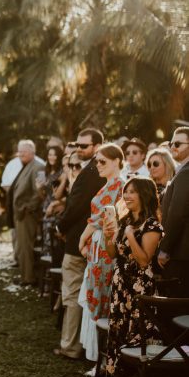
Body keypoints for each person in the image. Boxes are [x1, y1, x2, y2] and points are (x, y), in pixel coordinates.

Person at [102, 178, 163, 377]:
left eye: (132, 192)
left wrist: (128, 234)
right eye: (125, 192)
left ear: (144, 195)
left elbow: (144, 259)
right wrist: (109, 236)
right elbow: (113, 254)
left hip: (139, 290)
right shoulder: (125, 220)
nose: (126, 196)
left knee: (135, 338)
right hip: (120, 289)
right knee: (118, 336)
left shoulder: (152, 226)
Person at [54, 128, 104, 360]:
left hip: (77, 241)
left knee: (72, 293)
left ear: (96, 146)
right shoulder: (93, 169)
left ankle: (70, 346)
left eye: (84, 146)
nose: (79, 150)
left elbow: (76, 206)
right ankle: (79, 344)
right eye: (77, 145)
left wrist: (60, 226)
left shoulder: (92, 171)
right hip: (86, 240)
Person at [77, 143, 125, 363]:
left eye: (102, 161)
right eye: (96, 161)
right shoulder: (107, 184)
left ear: (117, 160)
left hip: (105, 247)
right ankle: (96, 357)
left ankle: (103, 360)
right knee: (94, 293)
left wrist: (82, 238)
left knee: (102, 295)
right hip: (96, 247)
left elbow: (100, 220)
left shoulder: (120, 185)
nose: (98, 165)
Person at [7, 140, 45, 286]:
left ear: (32, 152)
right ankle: (25, 276)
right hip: (21, 213)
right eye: (19, 151)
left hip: (28, 214)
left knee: (26, 247)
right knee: (22, 247)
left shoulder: (39, 167)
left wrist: (28, 208)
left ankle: (28, 278)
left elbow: (40, 192)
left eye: (24, 151)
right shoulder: (26, 165)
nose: (21, 154)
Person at [157, 126, 189, 296]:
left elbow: (177, 213)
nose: (172, 147)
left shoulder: (186, 172)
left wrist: (165, 248)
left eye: (178, 143)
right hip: (181, 252)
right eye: (171, 143)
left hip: (180, 253)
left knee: (175, 310)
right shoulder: (182, 170)